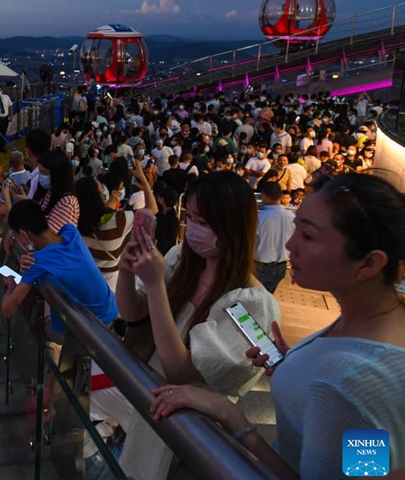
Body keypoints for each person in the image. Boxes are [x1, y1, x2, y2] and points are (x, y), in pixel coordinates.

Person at [149, 173, 405, 480]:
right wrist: (297, 364)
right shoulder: (372, 325)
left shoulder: (349, 383)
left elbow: (358, 470)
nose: (289, 244)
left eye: (308, 236)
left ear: (368, 264)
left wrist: (231, 416)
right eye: (297, 227)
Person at [111, 171, 280, 480]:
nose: (193, 229)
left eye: (203, 222)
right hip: (151, 408)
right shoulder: (180, 260)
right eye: (191, 217)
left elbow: (180, 370)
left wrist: (155, 286)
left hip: (193, 438)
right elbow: (132, 313)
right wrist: (126, 270)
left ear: (231, 226)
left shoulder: (253, 304)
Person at [1, 200, 118, 342]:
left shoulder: (37, 263)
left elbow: (7, 309)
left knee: (42, 330)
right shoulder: (71, 232)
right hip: (113, 310)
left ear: (24, 235)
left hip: (90, 332)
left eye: (15, 237)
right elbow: (53, 249)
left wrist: (11, 285)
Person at [255, 182, 296, 294]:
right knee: (267, 297)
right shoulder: (292, 217)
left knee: (253, 299)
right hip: (281, 267)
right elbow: (296, 246)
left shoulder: (259, 218)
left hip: (260, 266)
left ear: (264, 196)